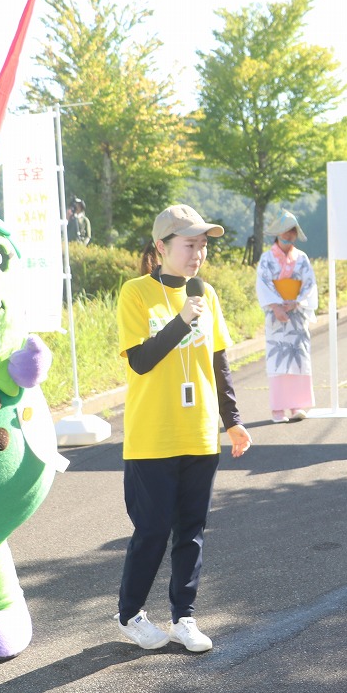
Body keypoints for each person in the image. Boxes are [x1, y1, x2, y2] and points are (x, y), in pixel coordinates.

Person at [114, 204, 252, 652]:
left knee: (191, 531)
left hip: (199, 432)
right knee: (152, 530)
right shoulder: (136, 292)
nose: (199, 253)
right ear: (161, 247)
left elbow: (218, 361)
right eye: (190, 244)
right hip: (152, 436)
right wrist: (182, 319)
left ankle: (184, 617)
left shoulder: (206, 293)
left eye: (203, 245)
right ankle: (130, 614)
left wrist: (233, 422)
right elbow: (141, 360)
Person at [255, 208, 318, 423]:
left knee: (298, 358)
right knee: (278, 359)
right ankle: (278, 409)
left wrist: (296, 301)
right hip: (276, 315)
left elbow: (309, 284)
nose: (289, 234)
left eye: (293, 231)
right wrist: (275, 306)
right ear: (278, 233)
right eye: (286, 230)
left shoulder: (302, 258)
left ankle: (296, 405)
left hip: (296, 314)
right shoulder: (266, 259)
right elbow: (263, 284)